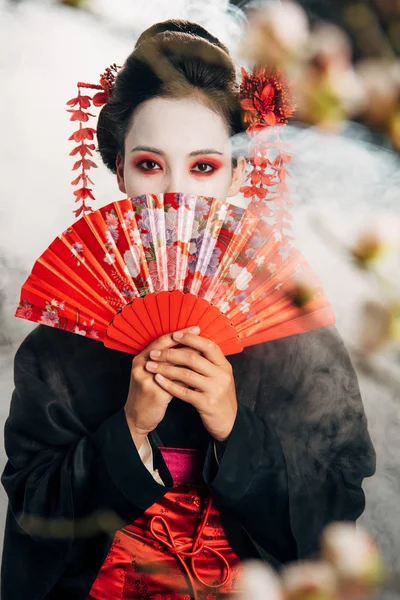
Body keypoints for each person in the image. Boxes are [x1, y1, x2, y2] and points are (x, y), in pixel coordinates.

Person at [1, 19, 376, 600]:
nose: (175, 193)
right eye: (150, 165)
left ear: (237, 172)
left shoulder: (296, 335)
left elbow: (339, 503)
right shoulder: (61, 344)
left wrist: (233, 428)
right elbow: (32, 514)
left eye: (203, 167)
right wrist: (129, 429)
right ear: (119, 169)